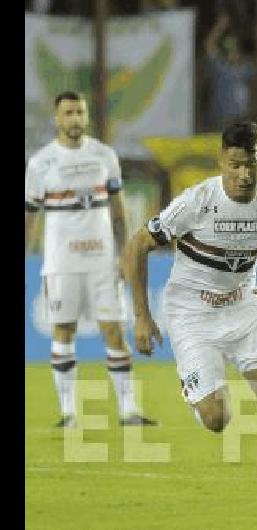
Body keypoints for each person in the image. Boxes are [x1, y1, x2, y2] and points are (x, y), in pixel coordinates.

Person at [124, 121, 257, 500]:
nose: (244, 174)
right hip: (192, 313)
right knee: (217, 420)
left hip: (242, 306)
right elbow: (136, 245)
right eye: (235, 164)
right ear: (221, 162)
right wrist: (141, 315)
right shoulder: (196, 201)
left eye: (251, 164)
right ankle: (196, 387)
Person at [24, 91, 157, 428]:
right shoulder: (40, 163)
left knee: (114, 331)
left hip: (102, 261)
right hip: (61, 262)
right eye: (68, 113)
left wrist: (124, 253)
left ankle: (128, 411)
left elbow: (118, 212)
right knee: (63, 331)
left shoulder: (104, 156)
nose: (75, 119)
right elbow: (30, 216)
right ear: (56, 118)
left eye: (80, 112)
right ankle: (68, 412)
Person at [204, 13, 257, 131]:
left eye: (235, 50)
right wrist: (220, 27)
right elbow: (209, 45)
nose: (233, 54)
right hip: (224, 119)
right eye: (229, 51)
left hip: (242, 118)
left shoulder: (245, 68)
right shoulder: (219, 66)